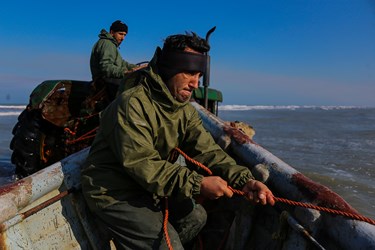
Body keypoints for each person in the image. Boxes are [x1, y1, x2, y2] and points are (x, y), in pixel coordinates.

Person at [81, 32, 275, 249]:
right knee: (168, 245)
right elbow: (142, 164)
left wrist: (244, 180)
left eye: (199, 76)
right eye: (189, 73)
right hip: (113, 191)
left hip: (148, 186)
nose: (195, 83)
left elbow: (207, 150)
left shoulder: (182, 108)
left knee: (196, 217)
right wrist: (197, 183)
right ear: (169, 68)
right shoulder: (132, 104)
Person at [90, 20, 138, 99]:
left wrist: (137, 67)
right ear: (112, 32)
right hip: (104, 82)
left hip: (108, 80)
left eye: (125, 35)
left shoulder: (111, 44)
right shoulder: (107, 43)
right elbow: (106, 67)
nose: (123, 38)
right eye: (120, 34)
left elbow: (122, 63)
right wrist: (125, 72)